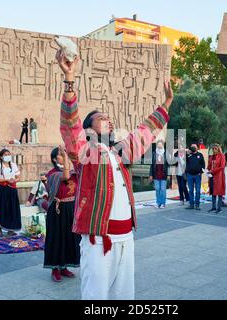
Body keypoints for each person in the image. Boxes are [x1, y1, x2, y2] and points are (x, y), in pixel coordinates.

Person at [57, 50, 173, 300]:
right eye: (101, 118)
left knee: (124, 294)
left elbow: (145, 131)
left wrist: (166, 105)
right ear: (87, 128)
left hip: (126, 237)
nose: (107, 120)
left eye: (108, 118)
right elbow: (69, 124)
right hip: (99, 239)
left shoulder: (119, 151)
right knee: (96, 295)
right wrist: (69, 79)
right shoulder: (85, 150)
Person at [44, 147, 81, 282]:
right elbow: (65, 176)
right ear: (54, 159)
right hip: (57, 210)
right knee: (57, 238)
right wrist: (67, 157)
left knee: (69, 238)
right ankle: (55, 268)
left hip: (71, 207)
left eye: (64, 155)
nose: (64, 157)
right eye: (61, 155)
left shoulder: (74, 172)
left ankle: (64, 266)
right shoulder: (52, 174)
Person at [0, 149, 22, 238]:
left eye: (9, 154)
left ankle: (10, 230)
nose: (7, 155)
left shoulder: (13, 165)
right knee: (0, 209)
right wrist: (6, 180)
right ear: (1, 157)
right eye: (5, 154)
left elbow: (18, 177)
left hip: (11, 190)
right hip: (1, 190)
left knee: (11, 209)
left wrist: (14, 180)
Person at [149, 140, 169, 209]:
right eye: (158, 145)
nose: (159, 146)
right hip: (156, 175)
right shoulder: (154, 153)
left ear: (163, 145)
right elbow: (151, 165)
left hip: (163, 175)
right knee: (157, 189)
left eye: (161, 144)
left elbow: (168, 164)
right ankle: (158, 203)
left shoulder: (166, 153)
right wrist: (150, 175)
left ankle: (163, 203)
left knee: (163, 189)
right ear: (157, 145)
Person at [185, 143, 206, 210]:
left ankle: (197, 205)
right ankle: (191, 204)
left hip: (197, 175)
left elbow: (203, 165)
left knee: (197, 191)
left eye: (194, 146)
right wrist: (187, 154)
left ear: (197, 148)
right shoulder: (188, 155)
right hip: (190, 175)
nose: (193, 148)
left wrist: (201, 172)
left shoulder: (200, 155)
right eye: (192, 147)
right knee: (190, 190)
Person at [207, 144, 226, 214]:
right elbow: (209, 166)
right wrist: (207, 170)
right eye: (213, 149)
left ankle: (219, 208)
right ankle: (213, 207)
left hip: (219, 177)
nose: (214, 150)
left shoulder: (222, 156)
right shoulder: (211, 157)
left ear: (218, 149)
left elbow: (222, 166)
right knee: (213, 192)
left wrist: (212, 171)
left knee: (219, 193)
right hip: (212, 177)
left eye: (215, 148)